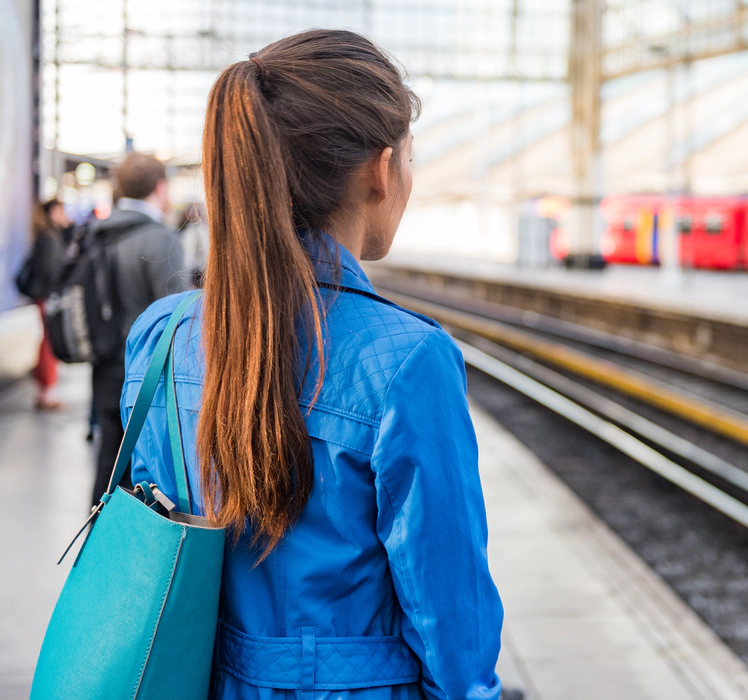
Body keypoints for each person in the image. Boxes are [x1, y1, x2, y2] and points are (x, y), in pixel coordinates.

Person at [121, 31, 505, 699]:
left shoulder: (162, 333)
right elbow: (454, 627)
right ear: (380, 170)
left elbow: (152, 546)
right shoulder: (409, 361)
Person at [89, 153, 190, 504]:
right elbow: (178, 317)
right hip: (146, 375)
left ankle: (98, 545)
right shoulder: (160, 239)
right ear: (160, 188)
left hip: (102, 363)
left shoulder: (97, 233)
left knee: (108, 463)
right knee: (144, 475)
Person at [23, 199, 69, 409]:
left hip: (42, 295)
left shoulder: (45, 235)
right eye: (61, 210)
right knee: (49, 343)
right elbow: (52, 271)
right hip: (48, 296)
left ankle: (44, 391)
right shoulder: (50, 237)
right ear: (52, 212)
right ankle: (47, 392)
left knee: (45, 342)